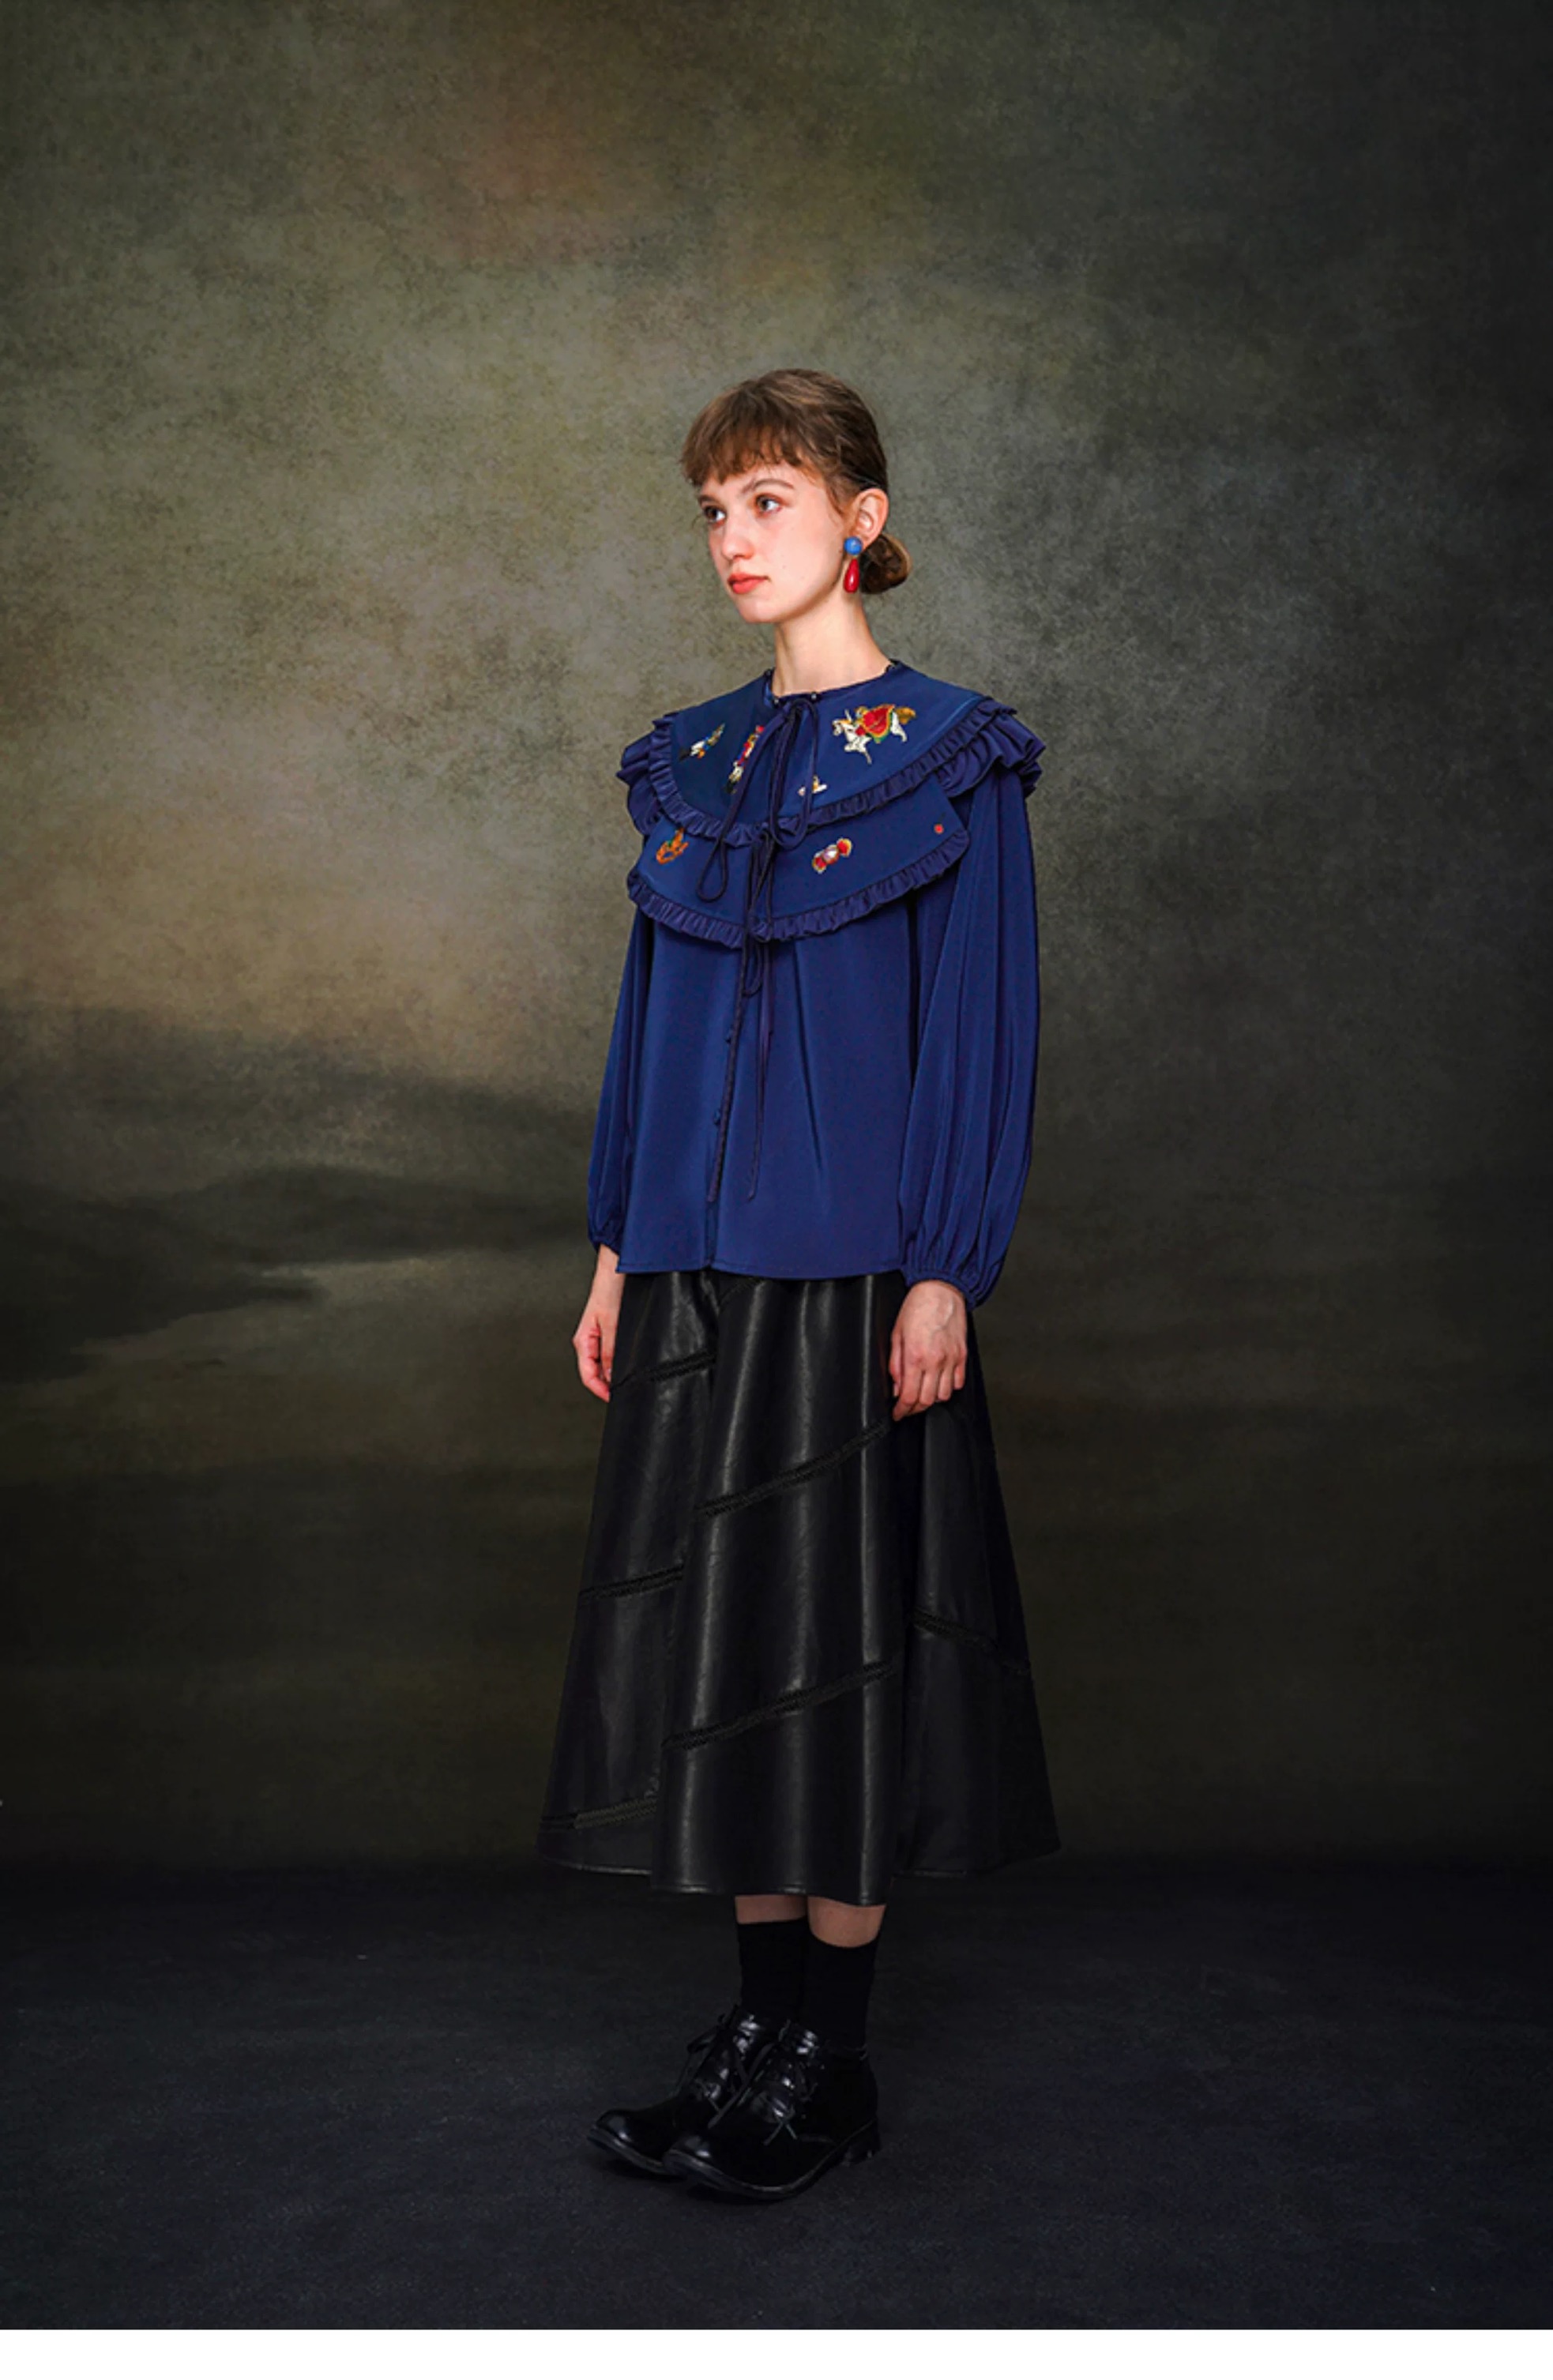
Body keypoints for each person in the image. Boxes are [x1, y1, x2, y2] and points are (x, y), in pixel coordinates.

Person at [536, 367, 1059, 2201]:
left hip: (853, 1273)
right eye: (713, 509)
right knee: (732, 1656)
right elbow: (647, 1023)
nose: (731, 539)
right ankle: (754, 2035)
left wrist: (943, 1270)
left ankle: (826, 2061)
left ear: (859, 515)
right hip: (696, 1267)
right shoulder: (690, 762)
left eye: (766, 500)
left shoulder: (954, 753)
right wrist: (618, 1239)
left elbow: (977, 1028)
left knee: (831, 1665)